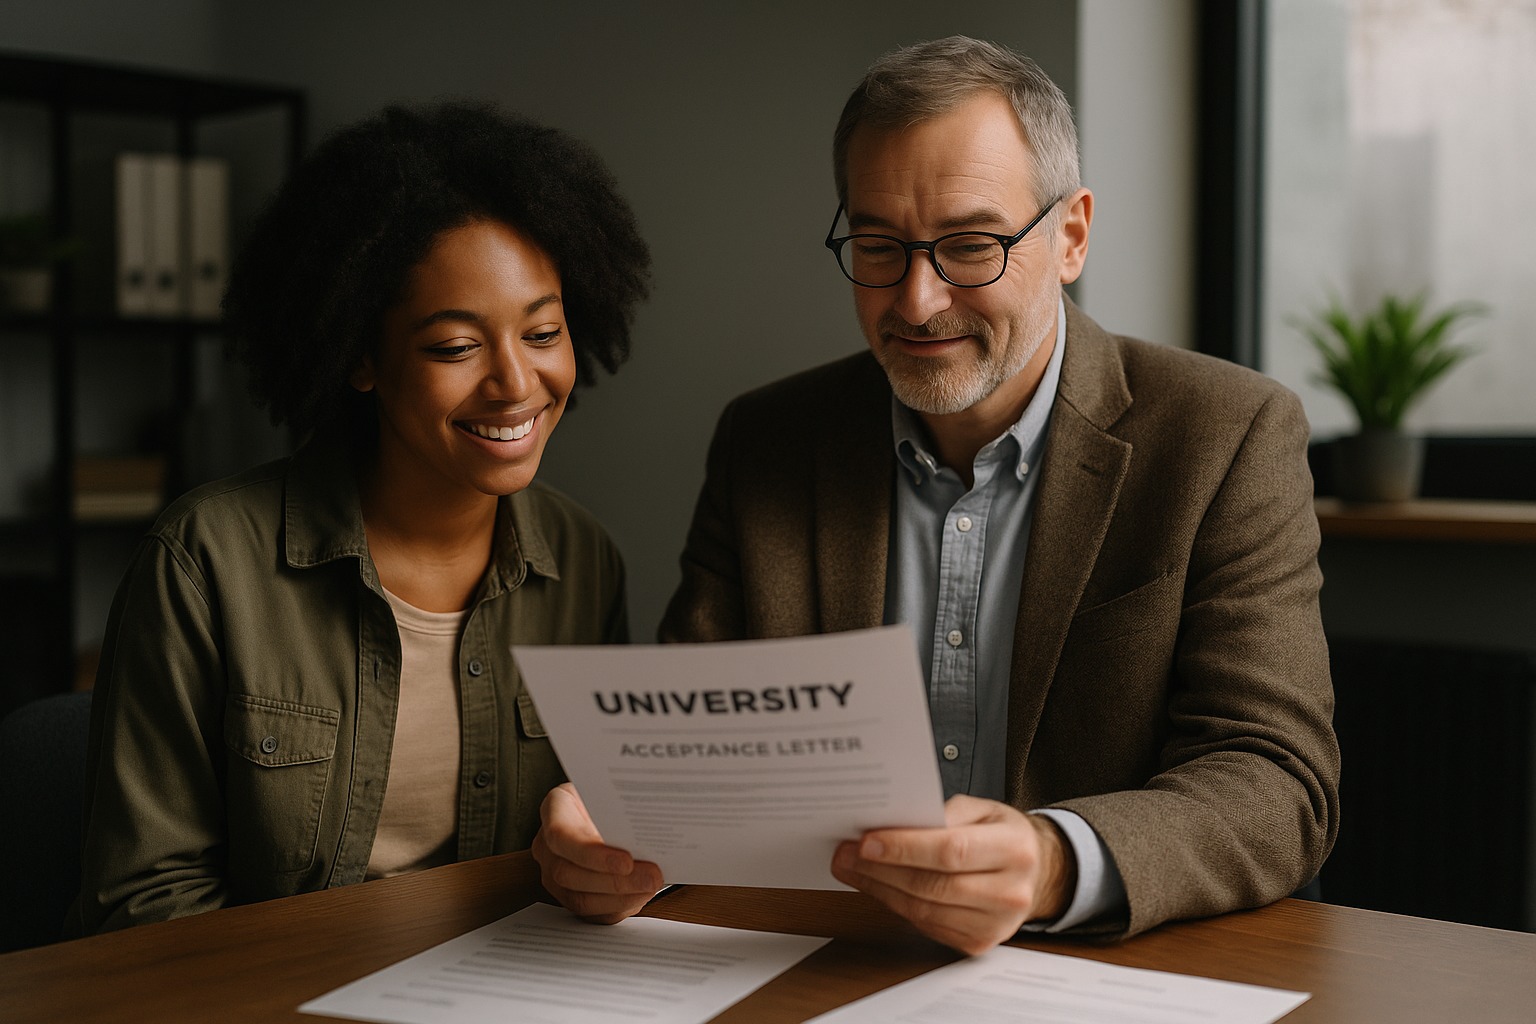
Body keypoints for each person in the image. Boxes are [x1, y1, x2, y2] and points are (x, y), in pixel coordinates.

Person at [532, 36, 1339, 954]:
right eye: (877, 245)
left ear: (1070, 236)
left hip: (1109, 971)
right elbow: (693, 752)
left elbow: (1277, 780)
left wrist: (1053, 862)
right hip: (820, 956)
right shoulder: (769, 442)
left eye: (970, 246)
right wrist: (619, 828)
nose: (916, 301)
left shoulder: (1226, 434)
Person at [69, 102, 650, 933]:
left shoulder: (584, 562)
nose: (517, 383)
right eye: (455, 347)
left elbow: (598, 834)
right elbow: (144, 907)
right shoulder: (205, 564)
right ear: (360, 358)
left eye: (544, 332)